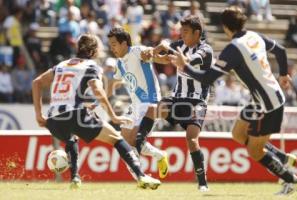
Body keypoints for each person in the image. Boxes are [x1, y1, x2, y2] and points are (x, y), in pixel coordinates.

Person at [169, 7, 297, 195]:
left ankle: (292, 180)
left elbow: (207, 79)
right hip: (262, 99)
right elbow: (280, 50)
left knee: (255, 151)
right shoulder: (254, 36)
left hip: (268, 105)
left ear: (225, 27)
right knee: (238, 134)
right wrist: (284, 74)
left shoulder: (234, 49)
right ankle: (280, 156)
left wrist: (185, 66)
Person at [32, 34, 161, 190]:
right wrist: (113, 115)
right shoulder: (91, 66)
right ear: (94, 50)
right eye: (100, 47)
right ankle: (141, 176)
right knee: (117, 139)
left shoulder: (61, 65)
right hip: (75, 115)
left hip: (53, 121)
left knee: (71, 139)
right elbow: (98, 90)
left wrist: (39, 115)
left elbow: (37, 82)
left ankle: (75, 178)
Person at [152, 15, 213, 192]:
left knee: (192, 139)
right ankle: (144, 147)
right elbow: (165, 47)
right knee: (156, 109)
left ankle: (202, 182)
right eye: (181, 31)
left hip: (196, 100)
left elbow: (193, 60)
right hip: (178, 97)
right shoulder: (179, 45)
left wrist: (179, 59)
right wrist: (155, 50)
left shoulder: (205, 49)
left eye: (185, 32)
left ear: (197, 33)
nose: (182, 35)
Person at [107, 27, 169, 179]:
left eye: (114, 44)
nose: (111, 47)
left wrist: (163, 46)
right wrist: (98, 102)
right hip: (135, 105)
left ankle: (146, 172)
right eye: (110, 44)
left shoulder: (137, 51)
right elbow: (112, 83)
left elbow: (158, 57)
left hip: (149, 102)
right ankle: (144, 173)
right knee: (124, 142)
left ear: (124, 43)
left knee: (135, 141)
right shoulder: (120, 63)